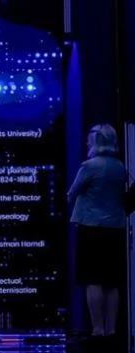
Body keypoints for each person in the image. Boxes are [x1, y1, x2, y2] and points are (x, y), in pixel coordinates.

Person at [67, 123, 129, 338]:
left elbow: (72, 193)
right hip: (115, 229)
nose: (86, 142)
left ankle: (98, 328)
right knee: (112, 282)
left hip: (91, 229)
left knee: (92, 280)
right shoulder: (120, 166)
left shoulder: (90, 166)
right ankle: (111, 329)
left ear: (96, 141)